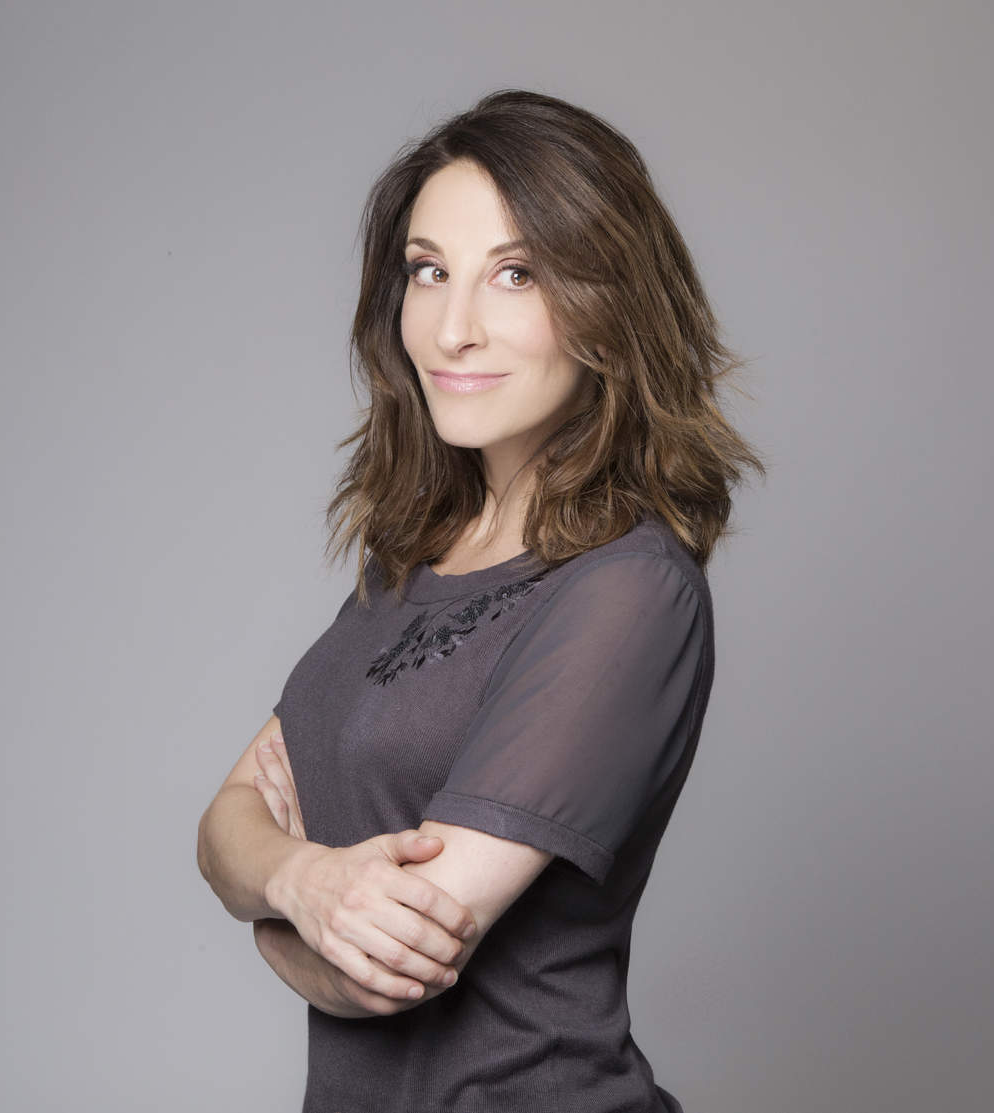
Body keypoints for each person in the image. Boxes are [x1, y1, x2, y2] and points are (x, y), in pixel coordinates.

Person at [196, 87, 766, 1113]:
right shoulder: (411, 558)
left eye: (516, 274)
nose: (452, 328)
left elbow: (391, 961)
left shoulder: (626, 590)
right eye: (429, 271)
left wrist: (268, 905)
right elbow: (222, 825)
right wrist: (301, 885)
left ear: (611, 306)